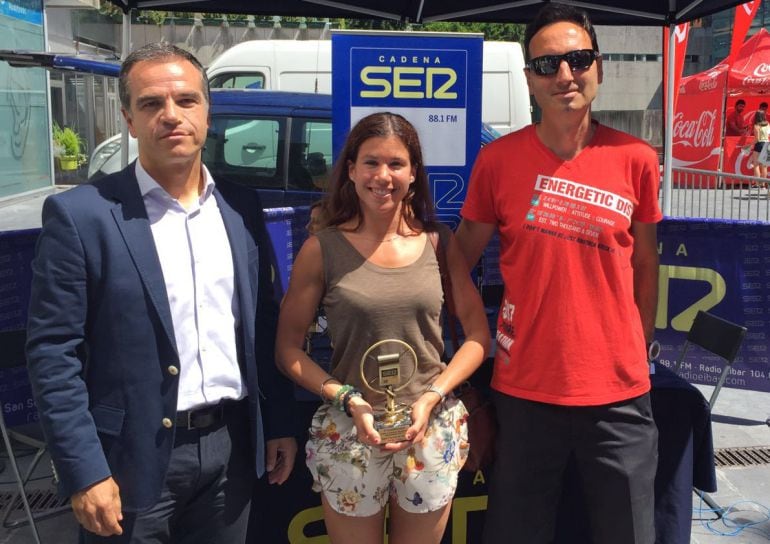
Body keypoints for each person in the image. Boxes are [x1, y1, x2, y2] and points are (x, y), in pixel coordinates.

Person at [26, 43, 297, 543]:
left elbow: (260, 323)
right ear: (129, 118)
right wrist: (84, 470)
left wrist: (276, 421)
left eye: (186, 100)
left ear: (208, 113)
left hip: (229, 454)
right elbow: (52, 353)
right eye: (151, 103)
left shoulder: (240, 207)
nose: (171, 115)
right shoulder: (83, 215)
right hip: (127, 463)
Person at [454, 4, 661, 543]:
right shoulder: (497, 161)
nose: (565, 75)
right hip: (525, 393)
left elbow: (645, 260)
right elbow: (460, 260)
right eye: (547, 65)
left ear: (599, 67)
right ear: (529, 79)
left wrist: (639, 343)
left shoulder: (637, 157)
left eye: (578, 59)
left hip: (619, 394)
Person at [276, 112, 490, 544]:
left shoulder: (438, 242)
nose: (383, 176)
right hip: (350, 434)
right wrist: (348, 398)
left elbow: (477, 338)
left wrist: (432, 396)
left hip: (429, 432)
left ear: (413, 174)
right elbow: (288, 350)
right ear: (351, 170)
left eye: (396, 164)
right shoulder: (322, 249)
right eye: (371, 162)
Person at [750, 109, 769, 179]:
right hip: (767, 144)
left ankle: (757, 184)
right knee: (764, 166)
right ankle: (763, 185)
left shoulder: (756, 126)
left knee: (756, 165)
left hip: (759, 144)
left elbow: (757, 139)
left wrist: (749, 145)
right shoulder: (767, 124)